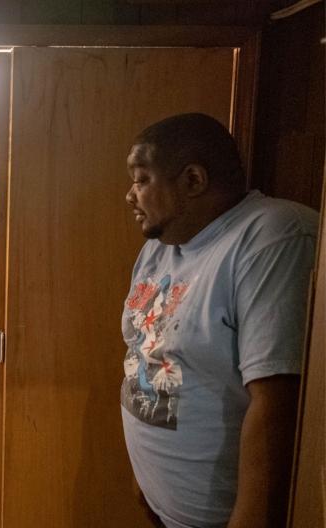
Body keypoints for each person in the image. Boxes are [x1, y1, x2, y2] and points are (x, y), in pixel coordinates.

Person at [120, 113, 319, 528]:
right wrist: (147, 480)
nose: (129, 195)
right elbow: (144, 348)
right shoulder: (163, 245)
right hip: (164, 506)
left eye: (141, 179)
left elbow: (279, 400)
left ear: (193, 180)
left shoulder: (271, 237)